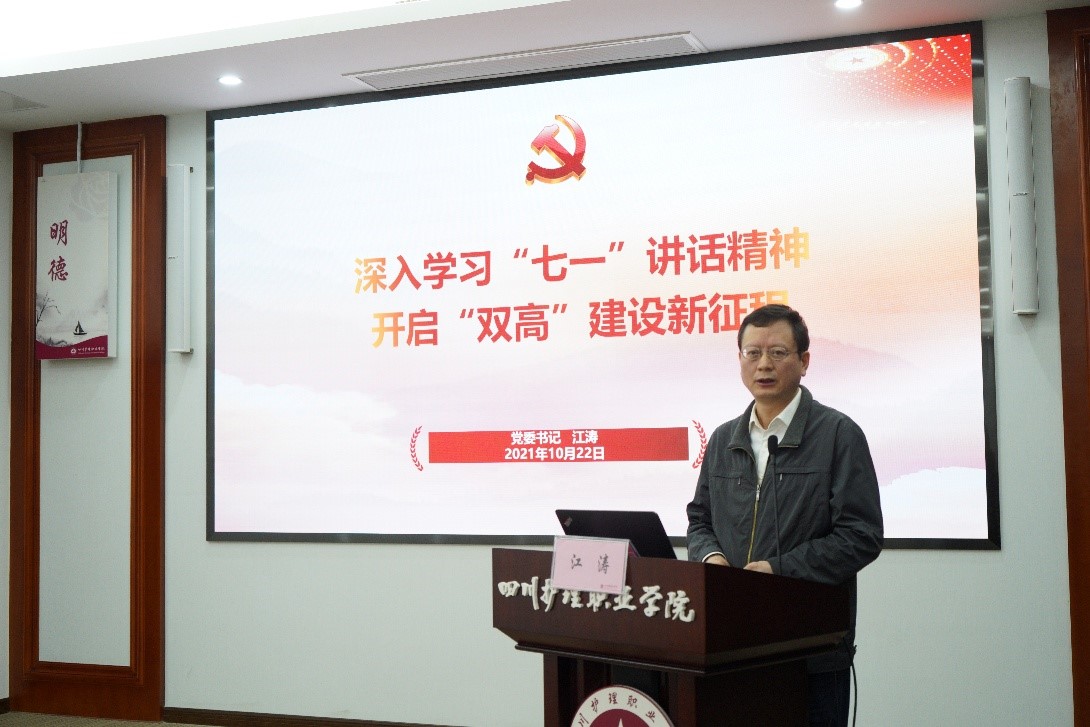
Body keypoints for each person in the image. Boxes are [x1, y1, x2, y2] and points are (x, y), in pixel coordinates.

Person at [686, 303, 883, 727]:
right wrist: (711, 558)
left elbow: (861, 536)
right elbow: (699, 520)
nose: (763, 364)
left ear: (804, 361)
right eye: (752, 353)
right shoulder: (722, 439)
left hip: (810, 651)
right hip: (731, 646)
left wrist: (778, 570)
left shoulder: (838, 435)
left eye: (777, 352)